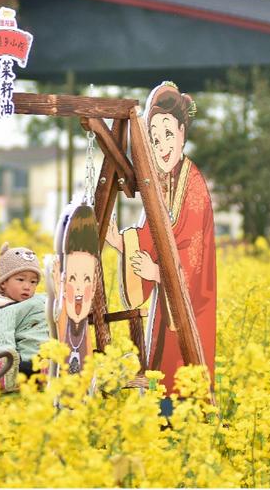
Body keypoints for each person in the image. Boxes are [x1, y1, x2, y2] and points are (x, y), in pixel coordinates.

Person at [105, 81, 216, 395]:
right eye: (153, 139)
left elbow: (193, 251)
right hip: (168, 301)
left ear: (182, 131)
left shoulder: (192, 184)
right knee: (161, 371)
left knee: (182, 374)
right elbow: (154, 231)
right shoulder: (165, 182)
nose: (162, 144)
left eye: (168, 133)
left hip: (192, 303)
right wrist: (121, 243)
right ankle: (163, 425)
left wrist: (158, 272)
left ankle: (179, 425)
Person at [0, 243, 49, 389]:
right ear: (3, 283)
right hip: (23, 363)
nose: (27, 286)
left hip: (48, 356)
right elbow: (0, 336)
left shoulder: (37, 301)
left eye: (33, 282)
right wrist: (8, 364)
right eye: (21, 280)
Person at [48, 205, 100, 376]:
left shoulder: (83, 328)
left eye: (87, 280)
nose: (79, 288)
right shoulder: (64, 316)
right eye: (72, 278)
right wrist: (58, 290)